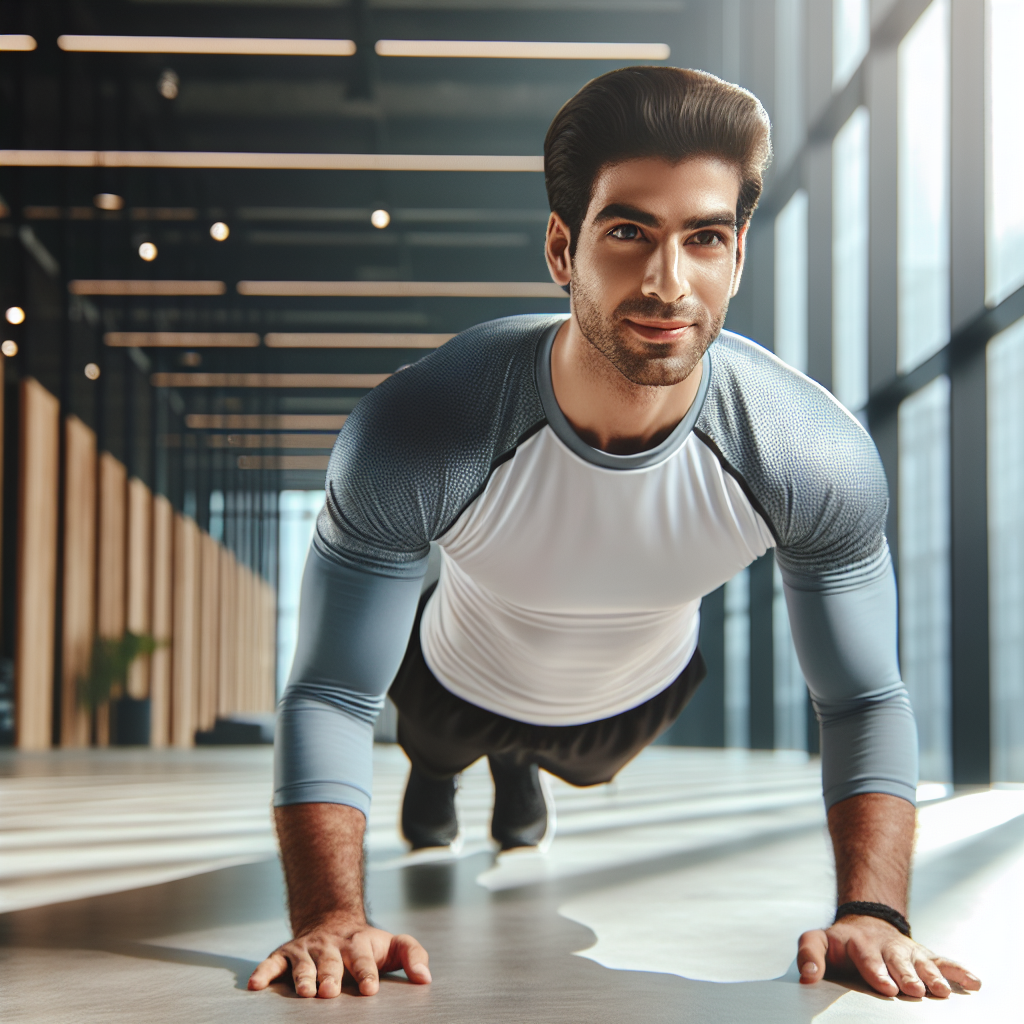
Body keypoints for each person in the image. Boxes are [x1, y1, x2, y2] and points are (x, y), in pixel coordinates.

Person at [249, 66, 981, 1002]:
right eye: (629, 231)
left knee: (568, 765)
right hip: (449, 674)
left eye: (704, 237)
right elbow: (332, 692)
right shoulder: (419, 428)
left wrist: (874, 915)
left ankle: (520, 771)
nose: (667, 282)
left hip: (631, 700)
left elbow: (865, 697)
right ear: (563, 248)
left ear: (737, 256)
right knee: (429, 750)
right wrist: (329, 918)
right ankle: (448, 774)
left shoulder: (810, 455)